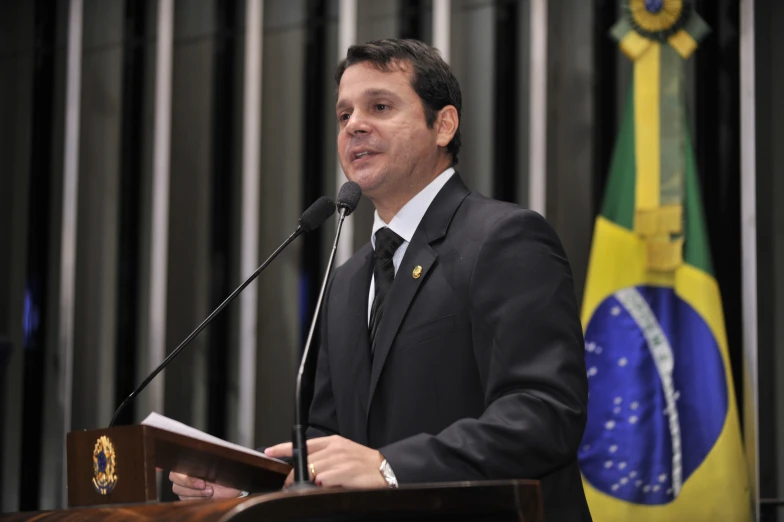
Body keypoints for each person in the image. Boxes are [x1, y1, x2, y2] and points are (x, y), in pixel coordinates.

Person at [171, 38, 591, 521]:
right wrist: (248, 489)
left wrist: (393, 467)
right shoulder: (347, 280)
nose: (355, 125)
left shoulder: (503, 238)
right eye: (344, 114)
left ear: (444, 124)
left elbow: (544, 412)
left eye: (380, 106)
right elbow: (333, 447)